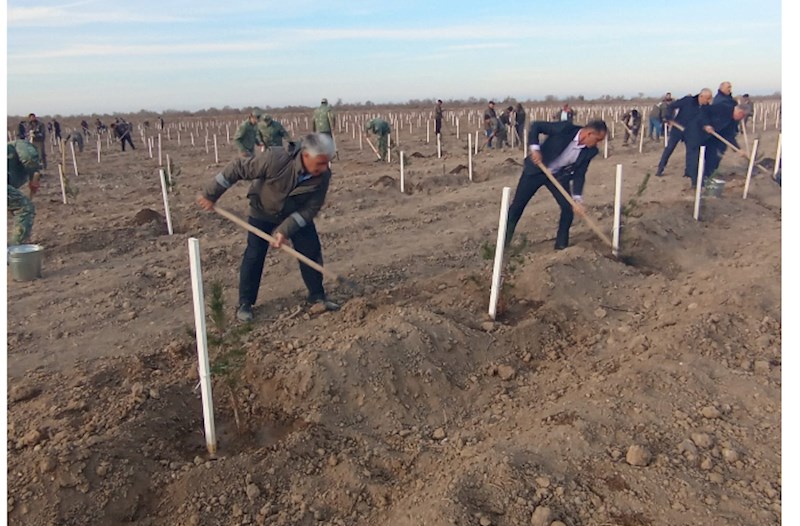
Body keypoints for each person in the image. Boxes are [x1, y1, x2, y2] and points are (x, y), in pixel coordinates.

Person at [196, 133, 339, 322]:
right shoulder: (276, 159)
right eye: (320, 163)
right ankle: (245, 303)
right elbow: (238, 168)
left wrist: (284, 231)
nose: (324, 168)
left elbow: (310, 209)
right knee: (255, 254)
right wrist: (211, 193)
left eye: (326, 163)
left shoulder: (323, 176)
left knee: (310, 250)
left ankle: (317, 296)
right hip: (263, 209)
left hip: (294, 212)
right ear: (305, 155)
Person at [505, 119, 608, 250]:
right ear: (589, 133)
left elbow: (579, 174)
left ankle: (561, 246)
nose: (597, 144)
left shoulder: (590, 151)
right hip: (537, 170)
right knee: (517, 207)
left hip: (557, 177)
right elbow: (536, 126)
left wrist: (577, 199)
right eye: (597, 139)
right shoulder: (565, 128)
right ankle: (503, 244)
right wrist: (535, 149)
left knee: (568, 209)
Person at [654, 88, 713, 177]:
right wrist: (669, 117)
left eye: (710, 98)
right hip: (677, 128)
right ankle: (660, 168)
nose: (709, 101)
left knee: (691, 151)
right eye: (707, 98)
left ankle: (688, 172)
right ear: (701, 96)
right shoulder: (688, 100)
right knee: (669, 148)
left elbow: (705, 119)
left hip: (690, 132)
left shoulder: (706, 107)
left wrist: (707, 125)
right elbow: (671, 106)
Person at [7, 140, 42, 245]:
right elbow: (29, 158)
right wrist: (33, 175)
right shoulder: (21, 144)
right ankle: (16, 249)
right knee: (25, 208)